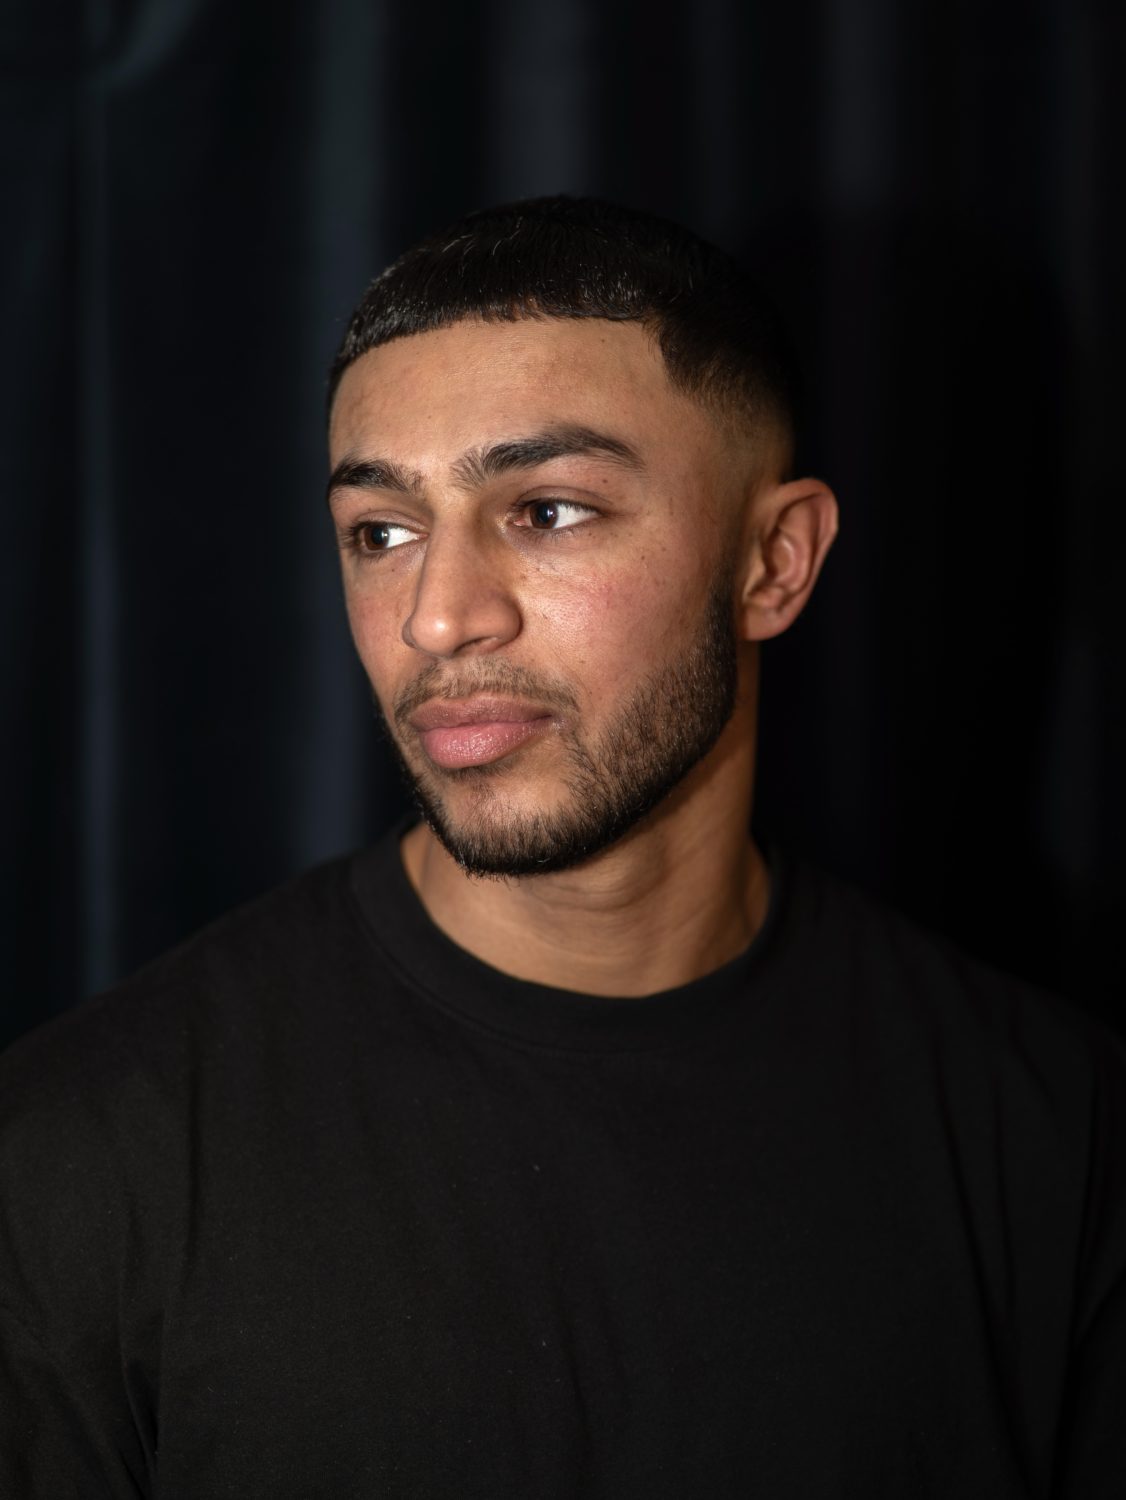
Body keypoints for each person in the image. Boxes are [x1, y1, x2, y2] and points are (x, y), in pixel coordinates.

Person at [1, 196, 1123, 1499]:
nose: (437, 619)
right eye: (382, 532)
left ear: (773, 561)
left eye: (546, 511)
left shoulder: (1059, 1137)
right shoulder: (76, 1156)